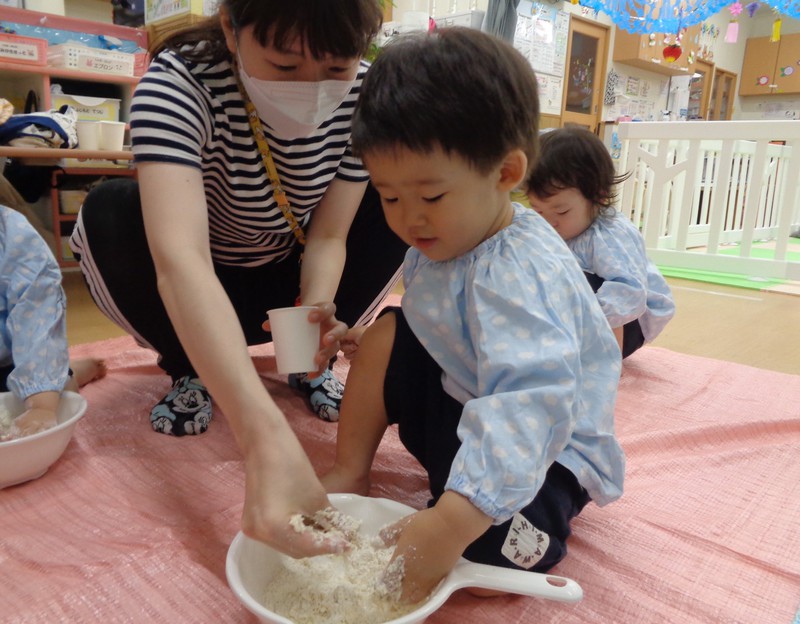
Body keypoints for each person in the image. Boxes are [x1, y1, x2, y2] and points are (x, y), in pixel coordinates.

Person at [69, 0, 406, 556]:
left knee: (394, 210)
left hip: (285, 267)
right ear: (231, 28)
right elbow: (182, 263)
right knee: (109, 210)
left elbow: (328, 236)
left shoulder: (366, 97)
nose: (312, 89)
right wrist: (263, 435)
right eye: (285, 67)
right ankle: (190, 370)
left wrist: (317, 311)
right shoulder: (180, 84)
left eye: (336, 69)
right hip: (204, 278)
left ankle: (305, 363)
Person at [321, 28, 625, 603]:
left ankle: (465, 513)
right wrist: (365, 343)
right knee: (390, 328)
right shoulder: (449, 235)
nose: (410, 219)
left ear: (507, 174)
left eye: (430, 197)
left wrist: (446, 527)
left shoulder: (518, 275)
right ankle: (349, 470)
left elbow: (530, 404)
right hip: (469, 398)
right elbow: (434, 323)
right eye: (388, 196)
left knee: (487, 566)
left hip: (545, 445)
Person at [526, 126, 675, 358]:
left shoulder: (610, 236)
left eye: (562, 211)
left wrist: (607, 361)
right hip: (585, 317)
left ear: (599, 196)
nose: (549, 222)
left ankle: (608, 360)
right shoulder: (559, 226)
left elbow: (629, 293)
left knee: (586, 281)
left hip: (633, 320)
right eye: (538, 211)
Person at [0, 205, 105, 438]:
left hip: (15, 365)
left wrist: (41, 406)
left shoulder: (12, 235)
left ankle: (66, 375)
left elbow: (37, 320)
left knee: (53, 394)